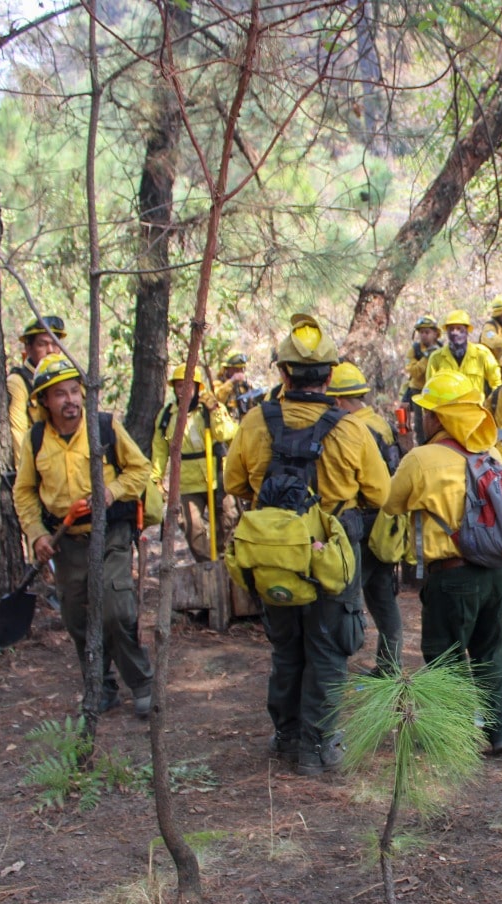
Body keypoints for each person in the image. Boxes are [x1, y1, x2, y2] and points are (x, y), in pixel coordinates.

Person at [225, 313, 390, 774]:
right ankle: (319, 747)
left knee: (286, 647)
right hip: (330, 558)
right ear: (331, 376)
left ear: (282, 373)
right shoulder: (352, 429)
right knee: (329, 647)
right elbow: (381, 494)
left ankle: (286, 735)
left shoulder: (255, 422)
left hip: (274, 555)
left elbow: (234, 482)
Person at [383, 370, 502, 756]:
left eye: (428, 412)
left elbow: (392, 504)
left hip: (451, 576)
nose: (423, 417)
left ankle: (452, 734)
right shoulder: (491, 454)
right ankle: (500, 732)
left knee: (444, 655)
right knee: (490, 649)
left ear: (439, 418)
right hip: (497, 571)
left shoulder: (420, 459)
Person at [15, 356, 155, 715]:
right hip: (66, 542)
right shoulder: (35, 440)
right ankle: (100, 686)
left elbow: (140, 468)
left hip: (110, 533)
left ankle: (142, 684)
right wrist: (36, 534)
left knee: (115, 607)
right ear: (44, 401)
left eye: (75, 391)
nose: (70, 400)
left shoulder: (105, 427)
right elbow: (25, 492)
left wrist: (110, 492)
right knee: (77, 617)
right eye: (60, 394)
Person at [327, 362, 404, 676]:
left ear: (340, 401)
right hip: (384, 522)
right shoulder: (379, 423)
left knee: (347, 594)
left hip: (360, 522)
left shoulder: (350, 429)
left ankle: (336, 664)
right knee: (383, 594)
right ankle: (389, 664)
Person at [151, 366, 237, 563]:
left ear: (197, 387)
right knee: (192, 527)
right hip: (187, 482)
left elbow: (226, 434)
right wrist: (155, 478)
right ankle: (208, 563)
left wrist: (214, 410)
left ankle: (226, 560)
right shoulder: (167, 416)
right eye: (180, 386)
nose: (183, 390)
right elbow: (160, 449)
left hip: (218, 476)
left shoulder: (209, 409)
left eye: (188, 385)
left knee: (229, 518)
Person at [8, 316, 67, 459]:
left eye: (55, 343)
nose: (51, 350)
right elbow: (19, 434)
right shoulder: (18, 382)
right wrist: (25, 476)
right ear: (28, 347)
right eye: (43, 344)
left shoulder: (68, 378)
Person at [429, 310, 502, 395]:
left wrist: (491, 404)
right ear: (447, 332)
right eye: (451, 329)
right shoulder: (436, 358)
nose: (455, 333)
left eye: (459, 329)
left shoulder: (482, 354)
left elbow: (497, 383)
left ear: (467, 331)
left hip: (475, 407)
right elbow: (430, 390)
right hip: (447, 407)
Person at [212, 350, 254, 420]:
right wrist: (232, 381)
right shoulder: (217, 384)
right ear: (226, 369)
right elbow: (218, 399)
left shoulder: (244, 386)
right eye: (236, 369)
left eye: (242, 369)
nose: (239, 372)